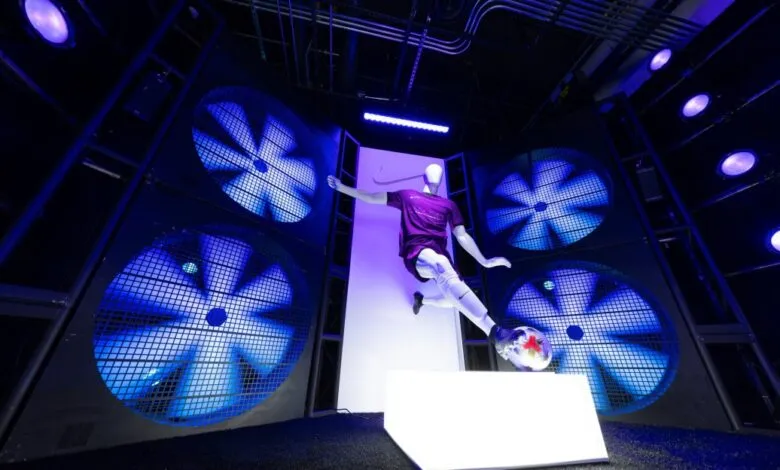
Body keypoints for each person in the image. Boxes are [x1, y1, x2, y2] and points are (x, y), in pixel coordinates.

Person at [327, 163, 520, 362]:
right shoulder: (408, 196)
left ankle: (423, 300)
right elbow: (373, 197)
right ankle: (496, 332)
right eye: (432, 170)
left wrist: (485, 261)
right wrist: (343, 188)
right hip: (417, 253)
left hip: (441, 256)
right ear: (424, 177)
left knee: (454, 299)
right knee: (440, 265)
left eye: (440, 171)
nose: (436, 172)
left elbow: (461, 236)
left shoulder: (448, 205)